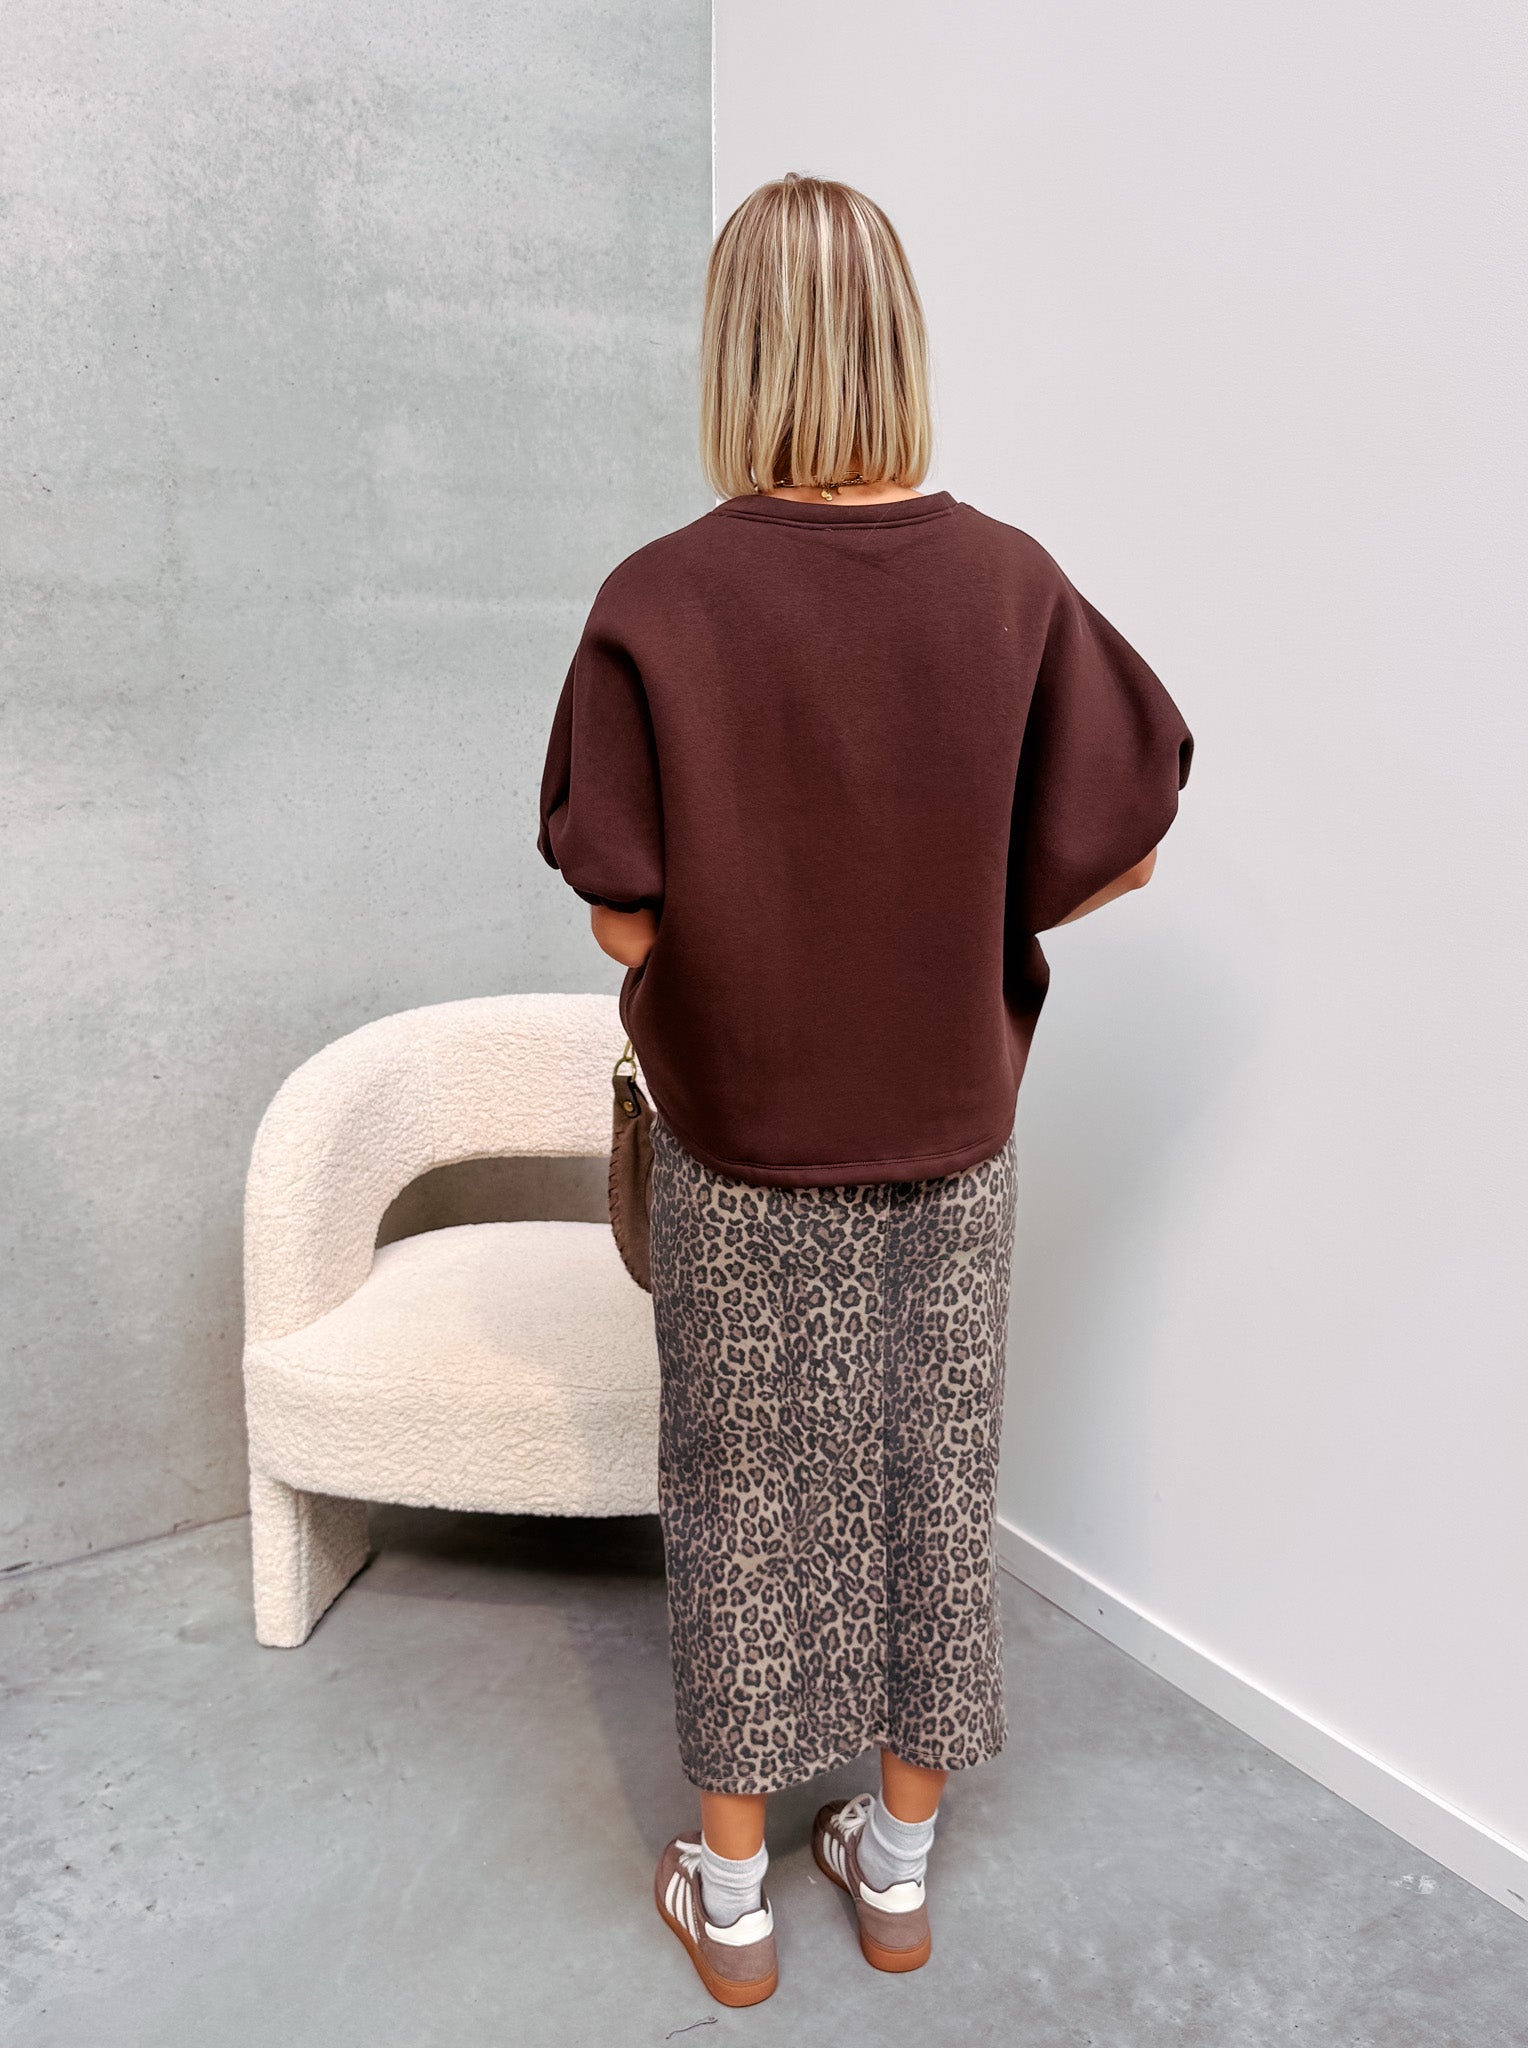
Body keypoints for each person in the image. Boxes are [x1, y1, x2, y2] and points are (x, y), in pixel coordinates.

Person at [538, 172, 1191, 2008]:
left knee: (740, 1498)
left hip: (742, 1147)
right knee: (928, 1481)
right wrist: (947, 896)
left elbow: (621, 912)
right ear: (899, 343)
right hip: (949, 1140)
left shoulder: (658, 598)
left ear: (734, 355)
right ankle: (893, 1877)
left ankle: (733, 1904)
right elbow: (1122, 842)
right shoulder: (1010, 583)